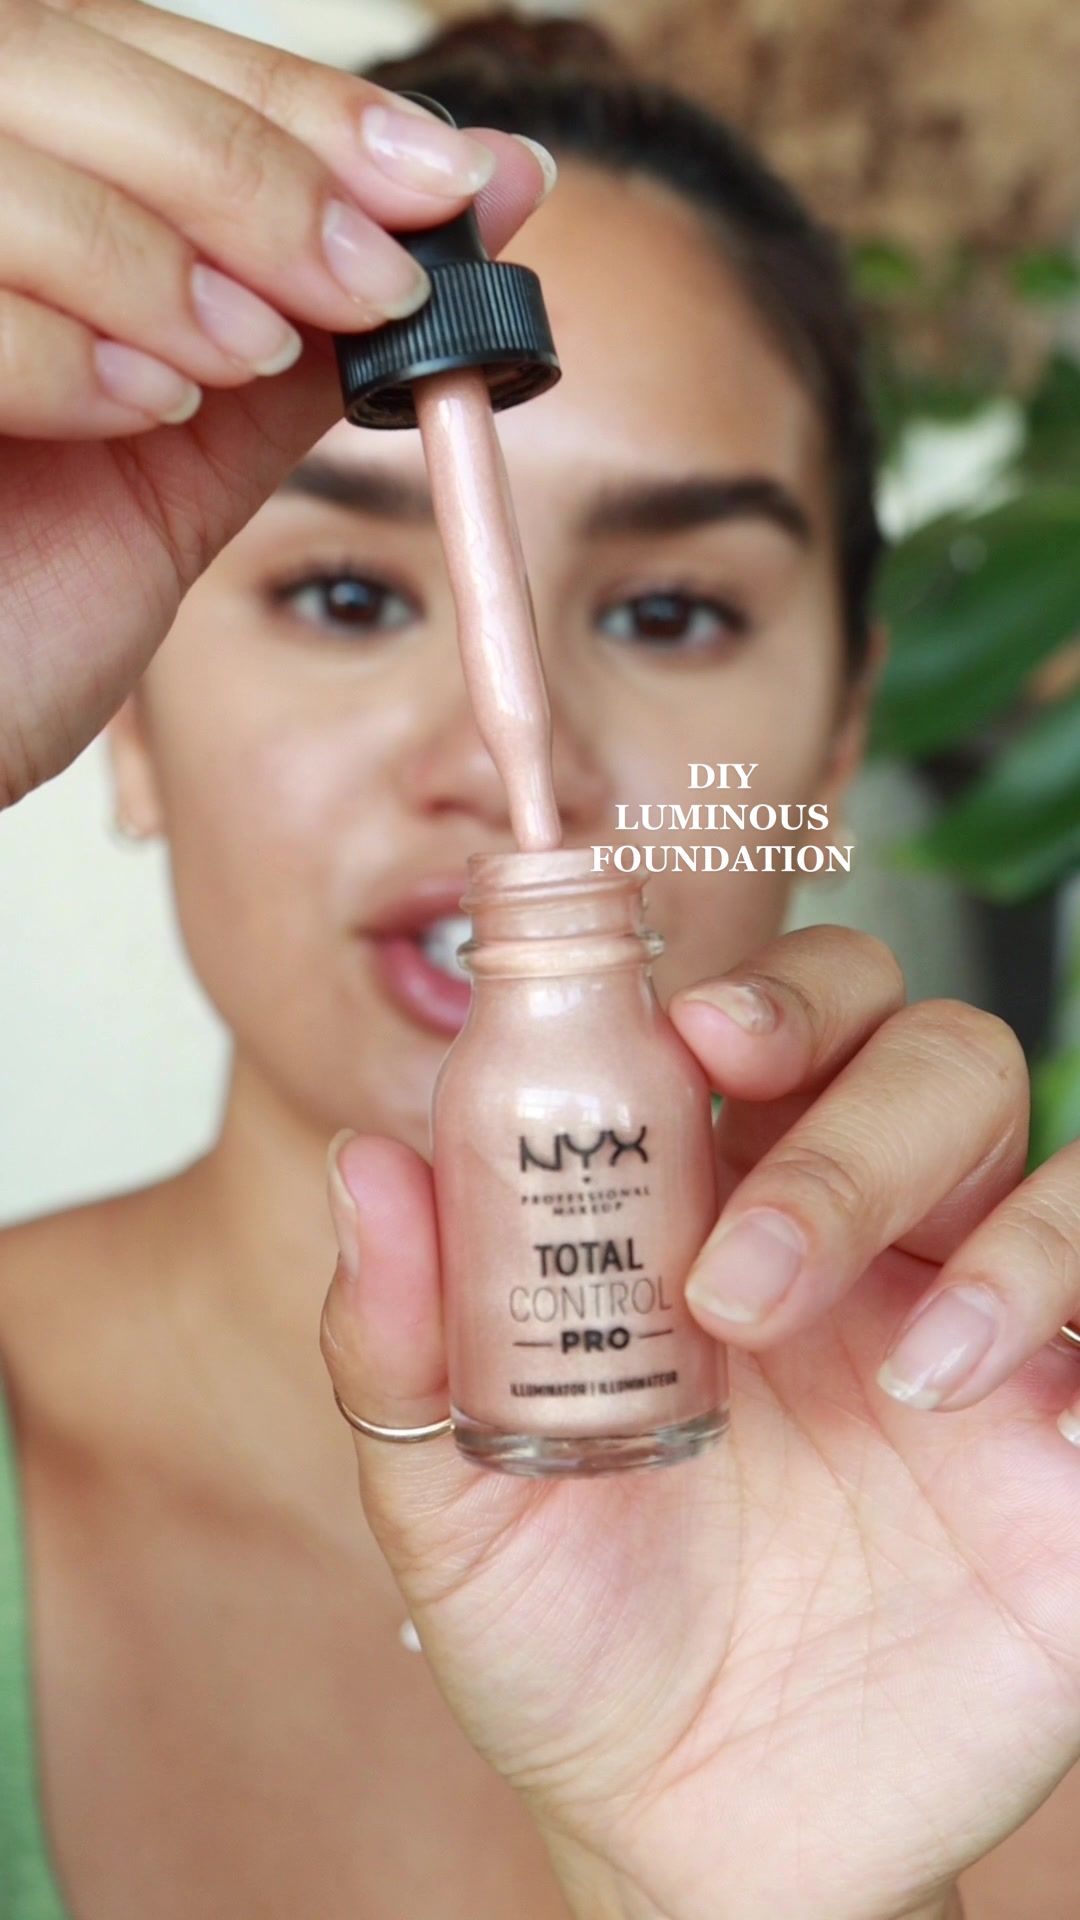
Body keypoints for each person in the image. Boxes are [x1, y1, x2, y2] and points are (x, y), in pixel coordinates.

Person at [1, 6, 1078, 1916]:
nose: (522, 768)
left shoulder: (1021, 1570)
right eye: (344, 592)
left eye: (670, 612)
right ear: (129, 711)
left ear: (838, 731)